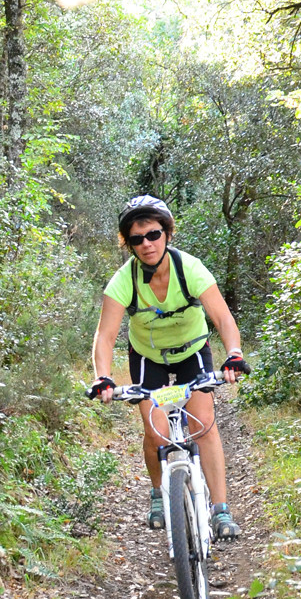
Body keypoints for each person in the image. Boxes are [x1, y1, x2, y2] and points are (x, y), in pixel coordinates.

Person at [88, 194, 249, 539]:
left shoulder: (189, 268)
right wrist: (101, 377)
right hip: (148, 355)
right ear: (128, 244)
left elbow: (223, 317)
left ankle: (220, 510)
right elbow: (105, 336)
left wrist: (233, 353)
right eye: (136, 238)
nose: (146, 244)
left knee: (203, 424)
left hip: (192, 350)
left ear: (167, 234)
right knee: (155, 429)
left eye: (153, 235)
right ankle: (160, 493)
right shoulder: (123, 280)